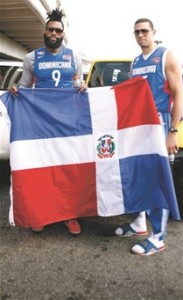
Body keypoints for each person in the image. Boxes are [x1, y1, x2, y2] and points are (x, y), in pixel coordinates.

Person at [10, 8, 87, 235]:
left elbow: (77, 84)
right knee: (43, 169)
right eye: (50, 29)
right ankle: (41, 213)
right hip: (41, 122)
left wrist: (82, 86)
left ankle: (69, 214)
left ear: (63, 34)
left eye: (58, 30)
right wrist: (16, 90)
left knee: (67, 169)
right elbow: (25, 88)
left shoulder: (74, 56)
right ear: (45, 31)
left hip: (67, 122)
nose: (54, 33)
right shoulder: (31, 58)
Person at [115, 18, 183, 255]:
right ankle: (139, 223)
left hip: (160, 123)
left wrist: (172, 131)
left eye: (145, 31)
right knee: (140, 175)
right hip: (140, 126)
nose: (141, 35)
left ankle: (159, 237)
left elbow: (179, 95)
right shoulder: (136, 61)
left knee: (158, 179)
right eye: (137, 32)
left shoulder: (166, 55)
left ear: (154, 32)